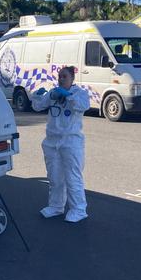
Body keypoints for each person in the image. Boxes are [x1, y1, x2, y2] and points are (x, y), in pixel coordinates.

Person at [31, 66, 90, 223]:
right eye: (59, 76)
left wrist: (68, 95)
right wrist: (35, 96)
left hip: (71, 141)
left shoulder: (80, 93)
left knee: (72, 177)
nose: (61, 79)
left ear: (72, 78)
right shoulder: (53, 93)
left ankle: (79, 209)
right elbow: (37, 106)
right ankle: (56, 206)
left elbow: (83, 106)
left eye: (64, 76)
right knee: (55, 177)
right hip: (52, 141)